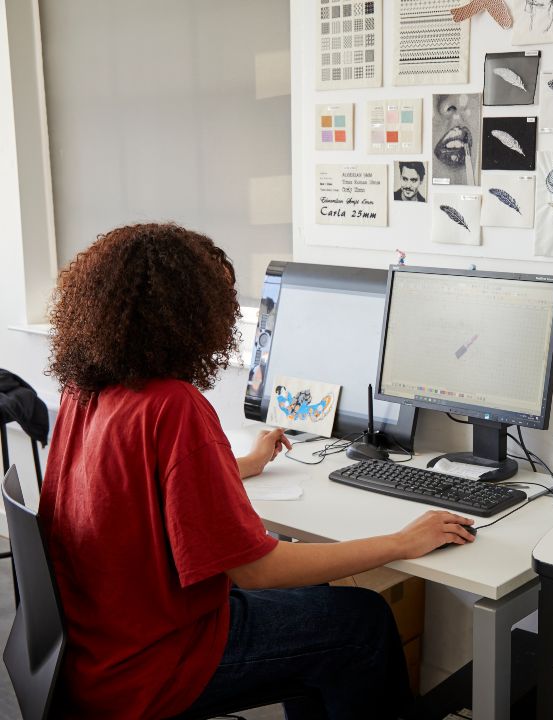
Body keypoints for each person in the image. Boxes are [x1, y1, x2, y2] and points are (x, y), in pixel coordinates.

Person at [41, 223, 473, 719]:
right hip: (159, 661)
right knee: (363, 622)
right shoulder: (173, 404)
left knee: (314, 599)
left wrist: (239, 466)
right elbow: (257, 570)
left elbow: (128, 486)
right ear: (190, 315)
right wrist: (402, 543)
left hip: (100, 647)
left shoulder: (85, 391)